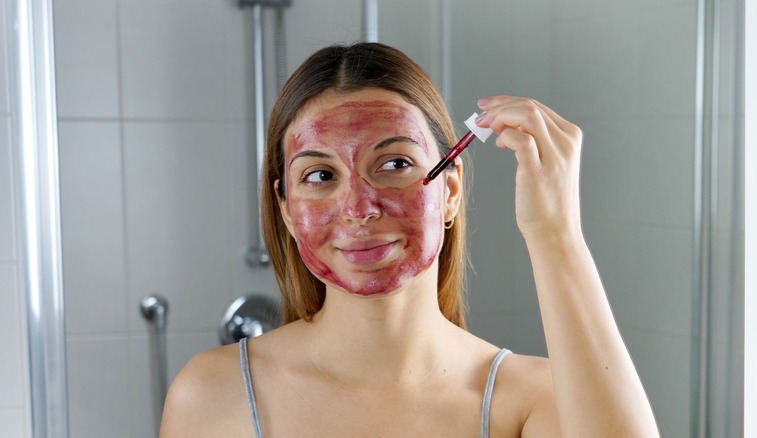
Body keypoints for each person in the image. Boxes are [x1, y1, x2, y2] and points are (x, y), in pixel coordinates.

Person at [160, 42, 659, 437]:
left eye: (396, 164)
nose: (359, 208)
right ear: (286, 210)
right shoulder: (213, 393)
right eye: (319, 175)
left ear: (451, 190)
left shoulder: (531, 399)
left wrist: (555, 233)